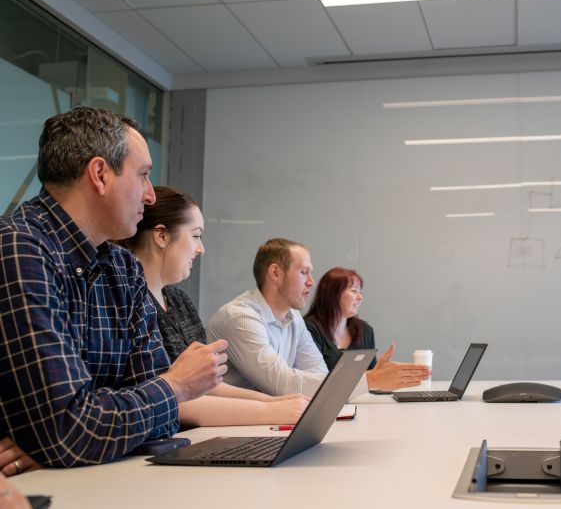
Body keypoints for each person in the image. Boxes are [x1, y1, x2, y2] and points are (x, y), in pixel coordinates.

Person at [0, 107, 227, 470]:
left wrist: (72, 438)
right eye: (143, 176)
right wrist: (174, 387)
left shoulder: (123, 268)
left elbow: (163, 426)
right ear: (100, 175)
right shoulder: (19, 248)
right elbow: (69, 432)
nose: (150, 195)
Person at [118, 186, 308, 426]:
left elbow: (210, 386)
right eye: (196, 235)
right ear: (162, 236)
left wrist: (274, 402)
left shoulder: (180, 301)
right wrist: (271, 411)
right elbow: (171, 399)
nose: (201, 248)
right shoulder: (130, 301)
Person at [207, 238, 430, 397]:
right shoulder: (240, 317)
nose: (311, 282)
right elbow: (282, 384)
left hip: (264, 422)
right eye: (304, 272)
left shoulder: (293, 318)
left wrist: (299, 387)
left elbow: (320, 376)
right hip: (225, 431)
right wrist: (370, 380)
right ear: (275, 273)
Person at [305, 267, 378, 371]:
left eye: (360, 291)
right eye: (354, 290)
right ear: (332, 294)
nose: (360, 297)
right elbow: (313, 376)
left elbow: (372, 374)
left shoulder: (365, 330)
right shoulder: (309, 329)